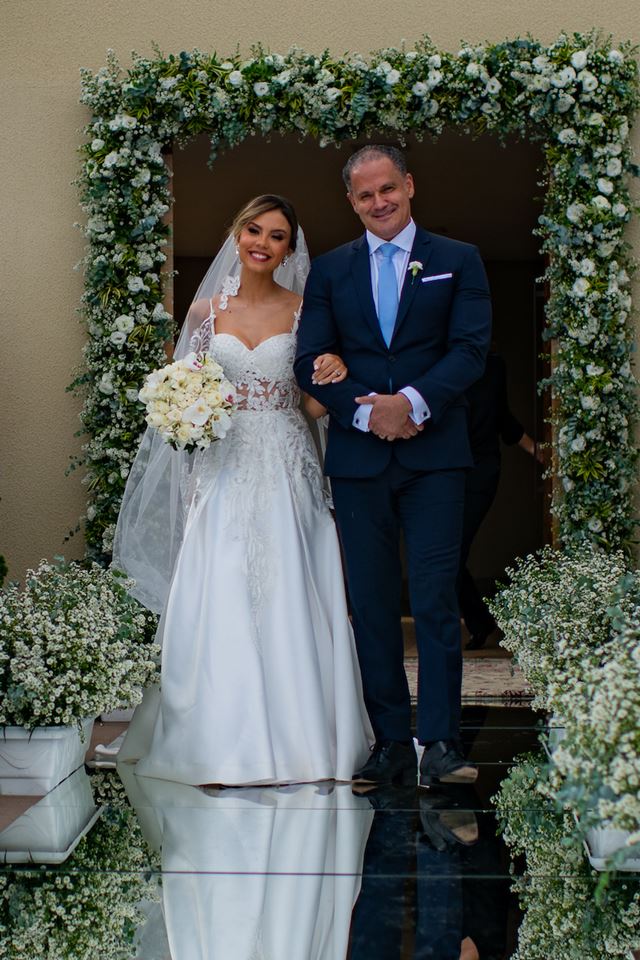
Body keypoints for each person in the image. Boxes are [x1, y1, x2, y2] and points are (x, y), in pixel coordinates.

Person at [113, 194, 373, 786]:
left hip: (285, 461)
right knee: (222, 583)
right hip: (223, 465)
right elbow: (186, 388)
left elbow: (309, 403)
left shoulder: (308, 312)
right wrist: (186, 413)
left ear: (289, 248)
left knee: (289, 585)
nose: (262, 242)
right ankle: (213, 738)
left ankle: (305, 739)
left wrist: (335, 378)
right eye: (253, 230)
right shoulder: (204, 314)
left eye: (277, 235)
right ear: (237, 234)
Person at [295, 145, 492, 789]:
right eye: (364, 195)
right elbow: (310, 360)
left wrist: (408, 404)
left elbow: (469, 351)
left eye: (389, 190)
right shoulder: (328, 270)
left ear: (409, 185)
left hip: (435, 459)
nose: (379, 203)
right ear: (350, 202)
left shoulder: (456, 260)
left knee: (434, 602)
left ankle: (439, 743)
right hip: (357, 463)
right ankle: (387, 742)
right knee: (372, 605)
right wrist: (363, 412)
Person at [460, 350, 542, 650]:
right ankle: (481, 621)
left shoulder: (494, 364)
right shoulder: (437, 357)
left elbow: (502, 416)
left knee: (451, 554)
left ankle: (481, 621)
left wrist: (535, 449)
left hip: (482, 471)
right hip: (443, 471)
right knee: (445, 555)